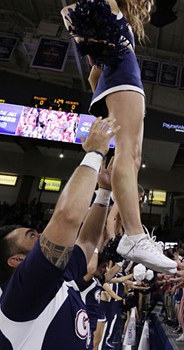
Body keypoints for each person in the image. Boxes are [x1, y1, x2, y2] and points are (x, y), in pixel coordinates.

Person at [60, 0, 177, 275]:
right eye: (144, 5)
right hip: (125, 81)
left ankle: (135, 235)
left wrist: (105, 93)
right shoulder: (111, 8)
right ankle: (134, 236)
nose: (145, 11)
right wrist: (90, 42)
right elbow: (68, 10)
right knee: (128, 154)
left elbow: (93, 78)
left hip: (121, 83)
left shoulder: (115, 28)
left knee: (132, 157)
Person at [0, 117, 119, 349]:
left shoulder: (59, 277)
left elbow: (86, 242)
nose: (42, 235)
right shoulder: (22, 296)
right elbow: (67, 217)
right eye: (32, 236)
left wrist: (104, 191)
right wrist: (95, 152)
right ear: (17, 261)